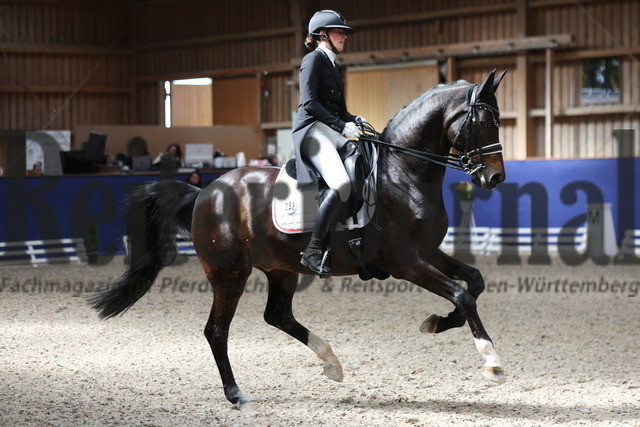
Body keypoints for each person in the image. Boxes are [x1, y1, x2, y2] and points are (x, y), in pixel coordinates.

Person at [292, 10, 365, 278]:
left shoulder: (335, 65)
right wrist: (342, 125)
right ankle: (312, 250)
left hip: (330, 129)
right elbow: (309, 104)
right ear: (323, 34)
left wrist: (354, 119)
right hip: (311, 130)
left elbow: (340, 110)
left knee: (363, 161)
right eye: (339, 31)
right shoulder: (312, 60)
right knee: (341, 183)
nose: (344, 36)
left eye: (343, 32)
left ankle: (356, 235)